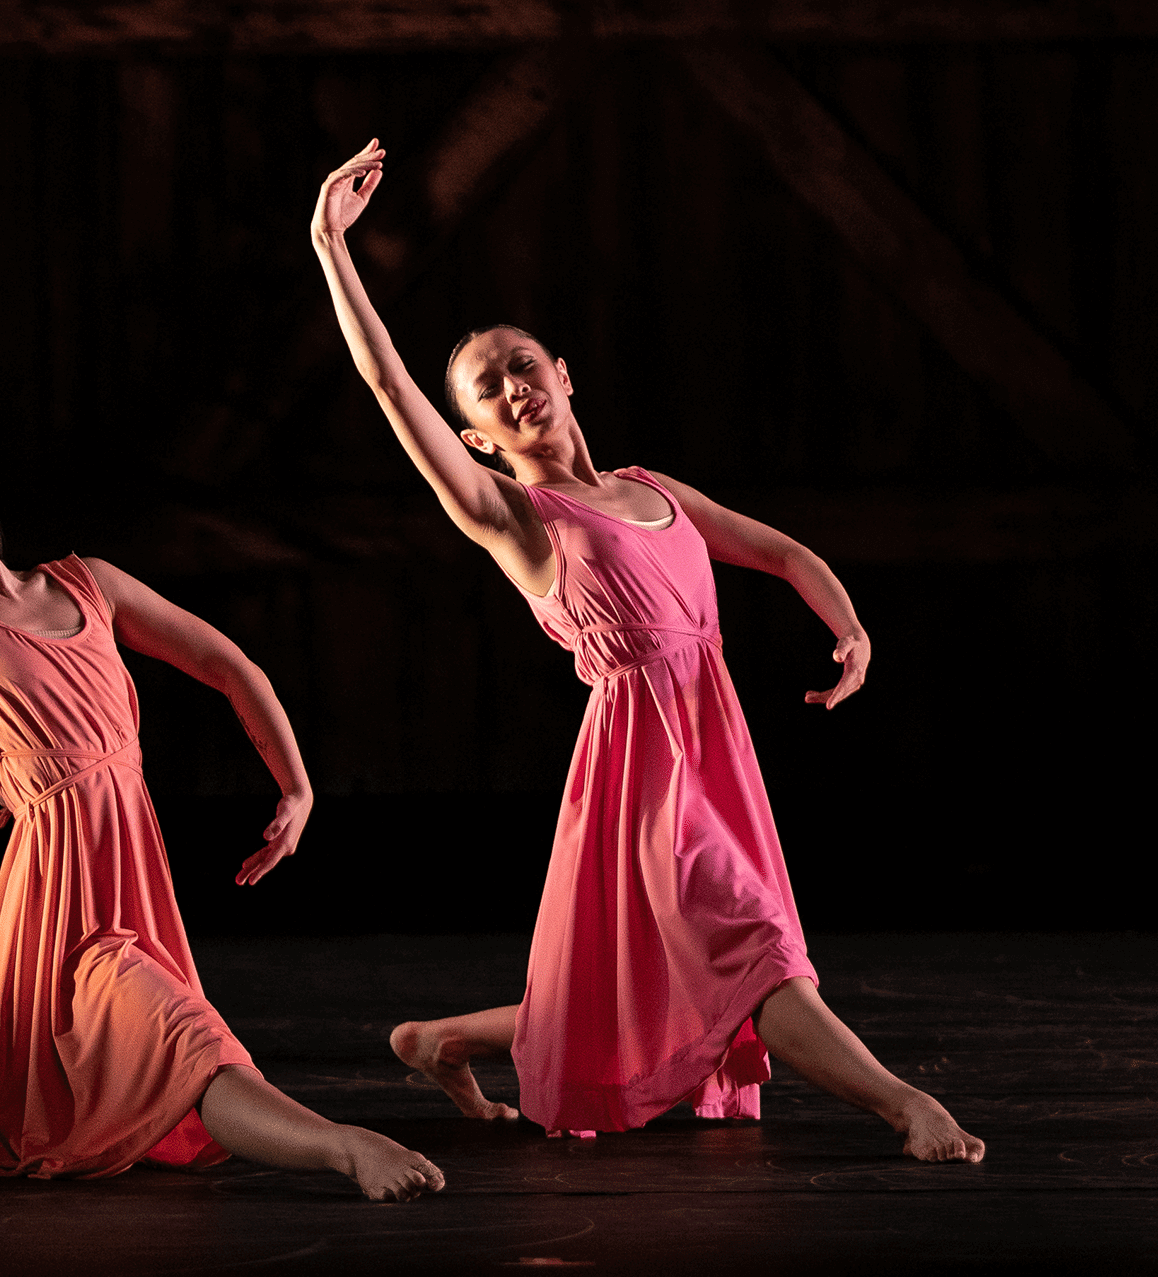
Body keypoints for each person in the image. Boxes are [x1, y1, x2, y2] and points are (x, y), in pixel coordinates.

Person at [0, 264, 445, 1200]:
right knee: (182, 1043)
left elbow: (231, 666)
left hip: (130, 866)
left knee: (31, 1092)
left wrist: (296, 786)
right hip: (60, 894)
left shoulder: (85, 583)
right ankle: (345, 1146)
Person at [308, 141, 982, 1162]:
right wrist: (329, 249)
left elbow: (785, 552)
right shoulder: (510, 515)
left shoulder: (653, 488)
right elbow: (391, 388)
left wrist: (848, 626)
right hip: (641, 762)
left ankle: (436, 1037)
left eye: (521, 364)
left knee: (637, 981)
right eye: (485, 389)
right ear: (477, 435)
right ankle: (901, 1103)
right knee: (752, 950)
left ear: (562, 373)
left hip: (712, 743)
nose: (510, 386)